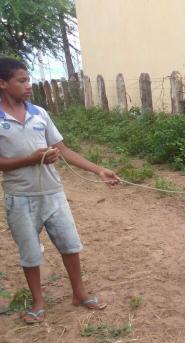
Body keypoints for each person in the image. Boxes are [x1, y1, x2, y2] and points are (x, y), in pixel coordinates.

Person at [0, 57, 120, 324]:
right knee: (30, 252)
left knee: (69, 244)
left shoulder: (40, 114)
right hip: (20, 197)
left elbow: (63, 150)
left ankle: (79, 293)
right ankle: (38, 302)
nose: (28, 85)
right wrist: (30, 159)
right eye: (21, 81)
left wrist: (99, 170)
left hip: (53, 193)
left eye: (28, 79)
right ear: (3, 83)